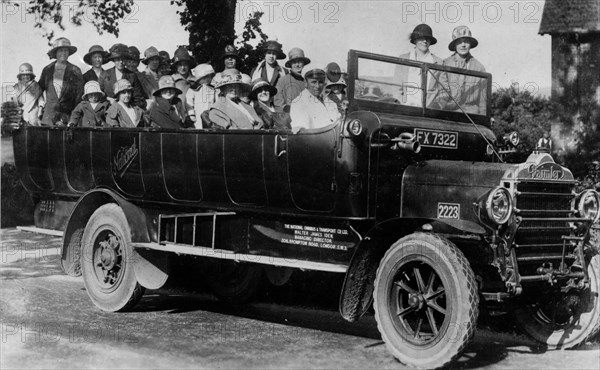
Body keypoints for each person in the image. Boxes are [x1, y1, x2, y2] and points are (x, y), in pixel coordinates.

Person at [434, 25, 487, 114]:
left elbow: (483, 101)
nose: (463, 45)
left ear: (470, 44)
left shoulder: (479, 68)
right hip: (448, 112)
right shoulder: (444, 64)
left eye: (466, 41)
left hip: (471, 114)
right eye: (459, 42)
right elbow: (441, 94)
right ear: (455, 45)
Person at [38, 37, 84, 125]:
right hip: (49, 117)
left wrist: (74, 118)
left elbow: (79, 96)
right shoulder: (47, 70)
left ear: (69, 53)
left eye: (66, 50)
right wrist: (41, 104)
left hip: (68, 117)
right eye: (60, 50)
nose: (63, 53)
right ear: (56, 52)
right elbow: (39, 89)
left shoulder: (75, 70)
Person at [394, 24, 442, 107]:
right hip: (405, 109)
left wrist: (435, 108)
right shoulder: (403, 59)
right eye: (421, 38)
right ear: (415, 40)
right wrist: (401, 106)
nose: (425, 41)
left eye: (428, 39)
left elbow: (443, 91)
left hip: (427, 112)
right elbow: (396, 88)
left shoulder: (438, 62)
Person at [101, 43, 147, 110]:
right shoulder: (105, 74)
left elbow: (137, 98)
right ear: (113, 60)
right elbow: (99, 94)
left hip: (127, 110)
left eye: (123, 59)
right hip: (108, 109)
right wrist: (108, 99)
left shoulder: (132, 75)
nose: (121, 62)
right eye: (117, 59)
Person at [186, 64, 216, 128]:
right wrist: (191, 114)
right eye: (205, 77)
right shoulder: (194, 89)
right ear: (199, 78)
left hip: (210, 114)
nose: (208, 79)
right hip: (198, 114)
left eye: (210, 77)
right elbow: (188, 102)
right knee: (199, 127)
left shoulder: (213, 89)